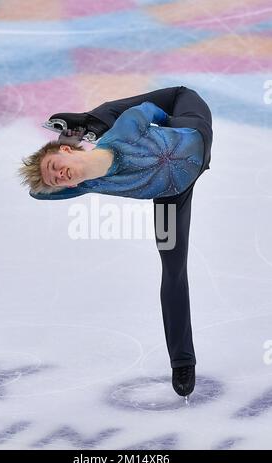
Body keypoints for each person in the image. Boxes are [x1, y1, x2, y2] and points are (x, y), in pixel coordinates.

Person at [18, 85, 213, 398]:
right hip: (173, 194)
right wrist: (53, 168)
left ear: (66, 151)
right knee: (173, 269)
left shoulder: (125, 131)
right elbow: (37, 191)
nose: (58, 175)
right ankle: (183, 361)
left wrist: (70, 138)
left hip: (190, 123)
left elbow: (152, 110)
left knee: (157, 101)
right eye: (56, 179)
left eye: (54, 167)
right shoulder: (85, 184)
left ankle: (91, 121)